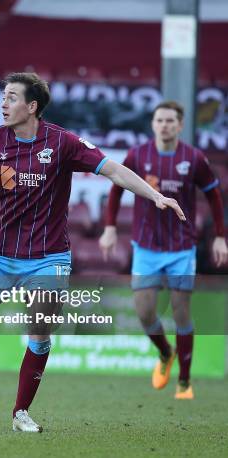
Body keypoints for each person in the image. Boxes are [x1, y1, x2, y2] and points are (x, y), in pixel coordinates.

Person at [0, 72, 185, 433]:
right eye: (3, 96)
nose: (3, 104)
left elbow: (113, 170)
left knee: (38, 331)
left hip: (49, 257)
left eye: (11, 97)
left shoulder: (63, 143)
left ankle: (20, 412)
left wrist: (156, 196)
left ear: (32, 106)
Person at [99, 100, 227, 400]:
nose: (165, 125)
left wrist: (220, 236)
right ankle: (165, 352)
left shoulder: (193, 159)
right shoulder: (138, 155)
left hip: (182, 247)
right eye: (160, 120)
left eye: (171, 121)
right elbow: (117, 188)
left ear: (180, 125)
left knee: (182, 313)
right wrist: (109, 227)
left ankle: (184, 382)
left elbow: (214, 196)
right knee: (144, 312)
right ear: (153, 124)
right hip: (146, 247)